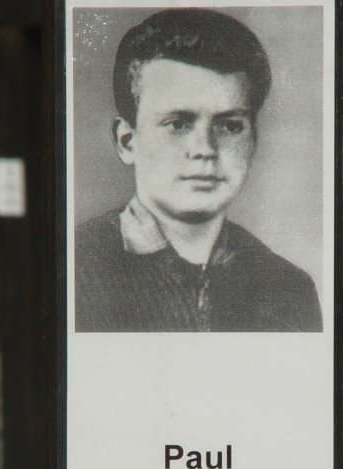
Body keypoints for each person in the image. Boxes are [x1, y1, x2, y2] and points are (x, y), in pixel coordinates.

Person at [75, 8, 323, 332]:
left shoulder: (289, 289)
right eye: (177, 123)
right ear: (127, 141)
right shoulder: (76, 267)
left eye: (230, 126)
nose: (205, 149)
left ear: (254, 140)